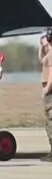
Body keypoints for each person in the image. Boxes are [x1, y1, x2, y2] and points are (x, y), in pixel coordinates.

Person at [40, 29, 52, 163]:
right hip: (49, 91)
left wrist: (47, 89)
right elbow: (41, 59)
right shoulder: (49, 53)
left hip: (50, 92)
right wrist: (41, 47)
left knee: (50, 123)